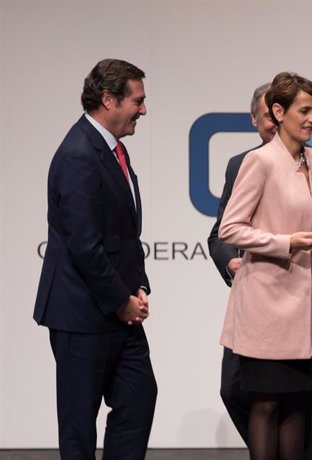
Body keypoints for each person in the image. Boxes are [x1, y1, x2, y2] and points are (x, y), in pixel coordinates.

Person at [207, 82, 312, 459]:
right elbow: (230, 229)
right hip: (267, 304)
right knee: (266, 405)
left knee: (298, 405)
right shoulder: (260, 161)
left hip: (306, 304)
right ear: (278, 113)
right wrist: (287, 242)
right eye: (305, 111)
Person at [33, 59, 157, 460]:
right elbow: (85, 246)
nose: (144, 109)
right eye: (137, 101)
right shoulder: (78, 154)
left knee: (139, 396)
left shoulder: (112, 150)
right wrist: (123, 300)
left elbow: (126, 235)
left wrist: (137, 288)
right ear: (108, 99)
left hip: (118, 310)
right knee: (78, 425)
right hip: (80, 314)